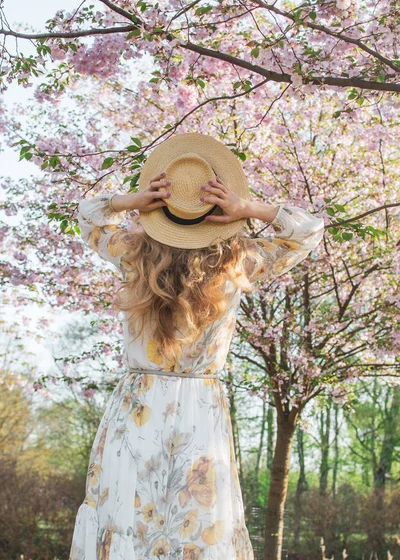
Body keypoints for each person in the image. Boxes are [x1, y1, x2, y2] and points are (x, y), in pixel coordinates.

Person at [69, 132, 324, 560]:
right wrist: (247, 209)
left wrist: (133, 202)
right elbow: (308, 229)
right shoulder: (238, 261)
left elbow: (88, 214)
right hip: (200, 412)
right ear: (217, 210)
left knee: (125, 522)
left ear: (160, 212)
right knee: (197, 527)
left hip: (137, 407)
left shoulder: (133, 252)